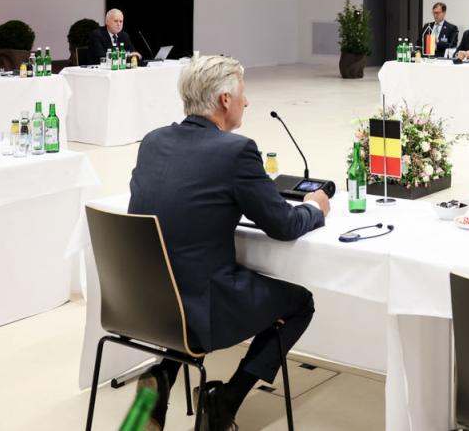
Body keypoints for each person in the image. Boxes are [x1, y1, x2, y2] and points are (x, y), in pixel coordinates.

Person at [128, 55, 330, 430]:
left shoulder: (153, 142)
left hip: (143, 305)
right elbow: (283, 225)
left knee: (186, 274)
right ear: (224, 100)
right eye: (243, 93)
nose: (247, 102)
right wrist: (315, 208)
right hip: (199, 309)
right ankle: (225, 402)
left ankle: (164, 376)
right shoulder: (235, 151)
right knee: (299, 303)